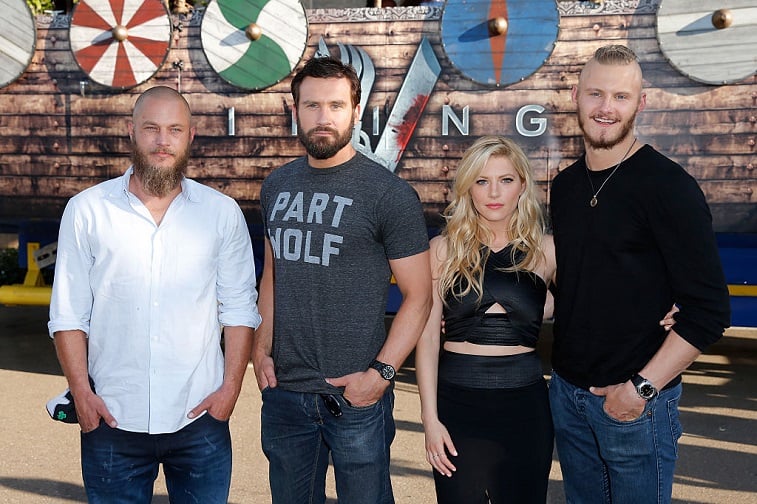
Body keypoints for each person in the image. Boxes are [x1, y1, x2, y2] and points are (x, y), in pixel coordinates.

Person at [48, 86, 262, 503]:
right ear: (131, 132)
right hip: (111, 418)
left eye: (174, 130)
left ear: (190, 136)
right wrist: (82, 395)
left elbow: (239, 309)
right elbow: (69, 314)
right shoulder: (87, 210)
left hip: (200, 418)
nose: (163, 141)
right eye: (151, 128)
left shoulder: (221, 213)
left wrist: (230, 390)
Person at [549, 45, 731, 503]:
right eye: (595, 93)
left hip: (636, 404)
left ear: (641, 103)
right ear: (575, 96)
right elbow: (575, 288)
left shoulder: (669, 186)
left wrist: (640, 389)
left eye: (621, 96)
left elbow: (710, 311)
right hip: (568, 397)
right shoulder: (565, 186)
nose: (606, 108)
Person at [252, 56, 432, 504]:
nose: (323, 117)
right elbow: (272, 274)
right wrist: (260, 349)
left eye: (335, 105)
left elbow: (419, 297)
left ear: (356, 111)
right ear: (295, 110)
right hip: (286, 394)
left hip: (357, 397)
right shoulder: (276, 187)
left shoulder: (389, 194)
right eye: (312, 105)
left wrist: (381, 375)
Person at [416, 135, 556, 503]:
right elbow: (427, 339)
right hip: (457, 406)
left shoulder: (546, 250)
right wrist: (430, 420)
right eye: (482, 181)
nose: (494, 192)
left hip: (526, 409)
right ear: (468, 188)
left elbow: (592, 305)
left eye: (505, 180)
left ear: (522, 185)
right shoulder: (442, 250)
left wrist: (664, 307)